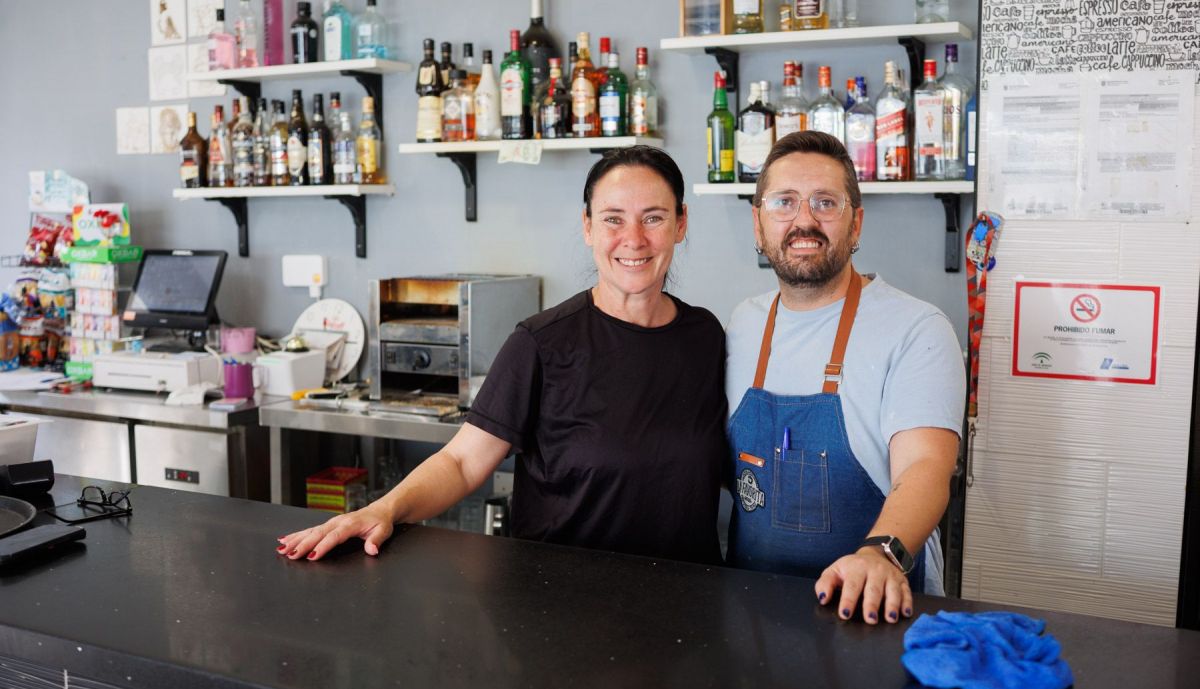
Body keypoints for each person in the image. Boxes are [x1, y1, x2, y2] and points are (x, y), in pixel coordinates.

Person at [277, 146, 728, 564]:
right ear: (588, 226)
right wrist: (384, 508)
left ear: (680, 223)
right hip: (563, 601)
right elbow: (461, 462)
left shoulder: (706, 337)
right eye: (613, 219)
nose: (633, 239)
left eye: (653, 218)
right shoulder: (542, 343)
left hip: (687, 608)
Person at [724, 131, 964, 625]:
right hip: (750, 613)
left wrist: (880, 555)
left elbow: (924, 468)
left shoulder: (916, 329)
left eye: (825, 203)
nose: (804, 220)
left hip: (867, 615)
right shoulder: (740, 325)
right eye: (784, 202)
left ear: (856, 223)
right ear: (758, 223)